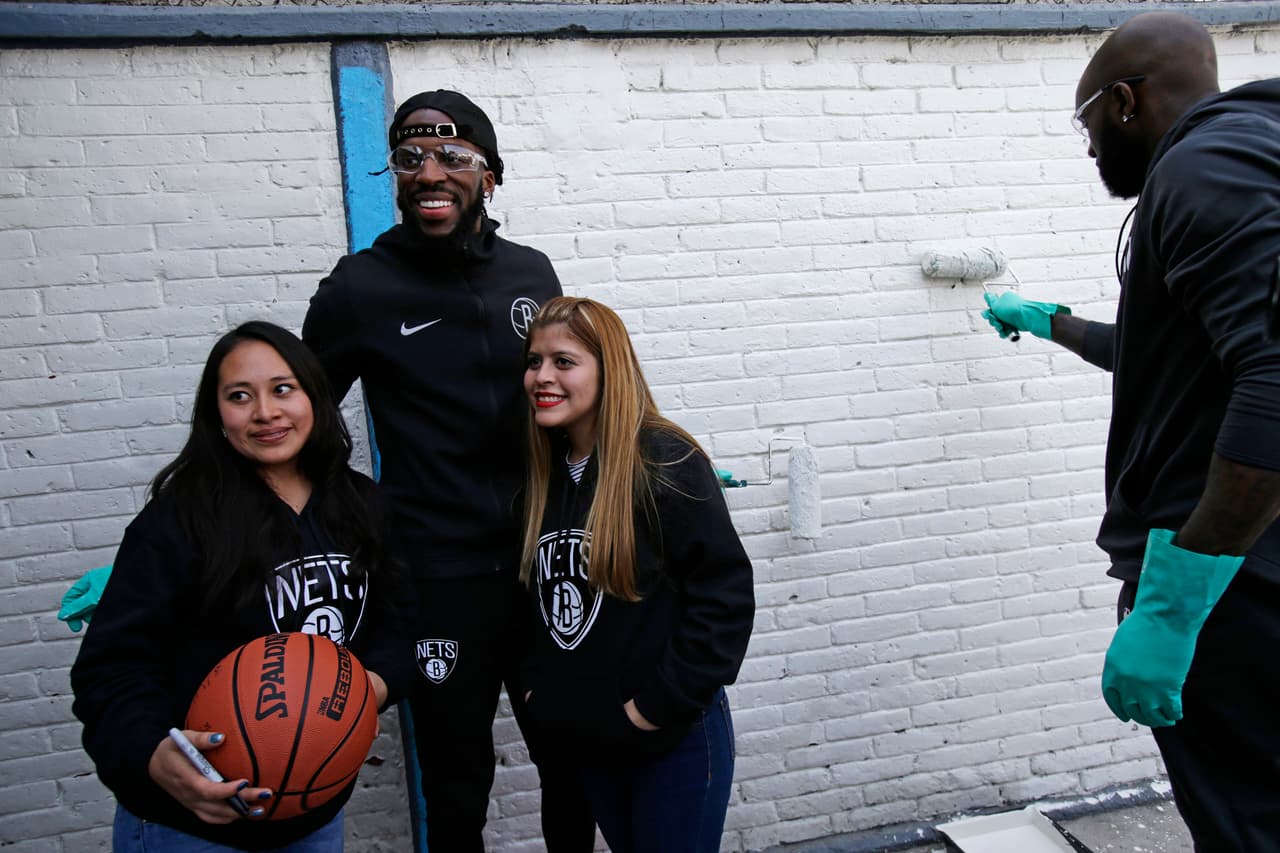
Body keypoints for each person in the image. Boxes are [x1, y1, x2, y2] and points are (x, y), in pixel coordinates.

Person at [982, 12, 1280, 848]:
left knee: (1247, 819)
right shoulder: (1252, 152)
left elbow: (1275, 381)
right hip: (1250, 565)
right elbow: (1180, 355)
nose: (1088, 152)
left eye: (1086, 125)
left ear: (1124, 101)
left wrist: (1176, 605)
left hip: (1234, 584)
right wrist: (1052, 323)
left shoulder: (1204, 166)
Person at [302, 90, 593, 851]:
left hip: (546, 564)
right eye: (410, 158)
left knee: (573, 765)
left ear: (488, 176)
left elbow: (575, 395)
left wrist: (639, 476)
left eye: (453, 157)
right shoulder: (358, 287)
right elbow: (294, 426)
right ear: (395, 176)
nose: (431, 171)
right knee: (457, 786)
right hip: (437, 580)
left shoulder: (532, 272)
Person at [70, 321, 410, 852]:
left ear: (314, 396)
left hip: (312, 814)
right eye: (239, 396)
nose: (265, 413)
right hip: (190, 825)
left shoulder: (362, 506)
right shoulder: (178, 521)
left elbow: (401, 627)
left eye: (282, 389)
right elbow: (110, 671)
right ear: (217, 414)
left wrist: (372, 685)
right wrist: (151, 754)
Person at [518, 296, 756, 853]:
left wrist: (649, 711)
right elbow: (534, 605)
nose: (541, 377)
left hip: (672, 742)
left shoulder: (664, 459)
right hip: (594, 741)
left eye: (564, 362)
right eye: (533, 361)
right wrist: (540, 694)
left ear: (610, 369)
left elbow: (725, 600)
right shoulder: (545, 476)